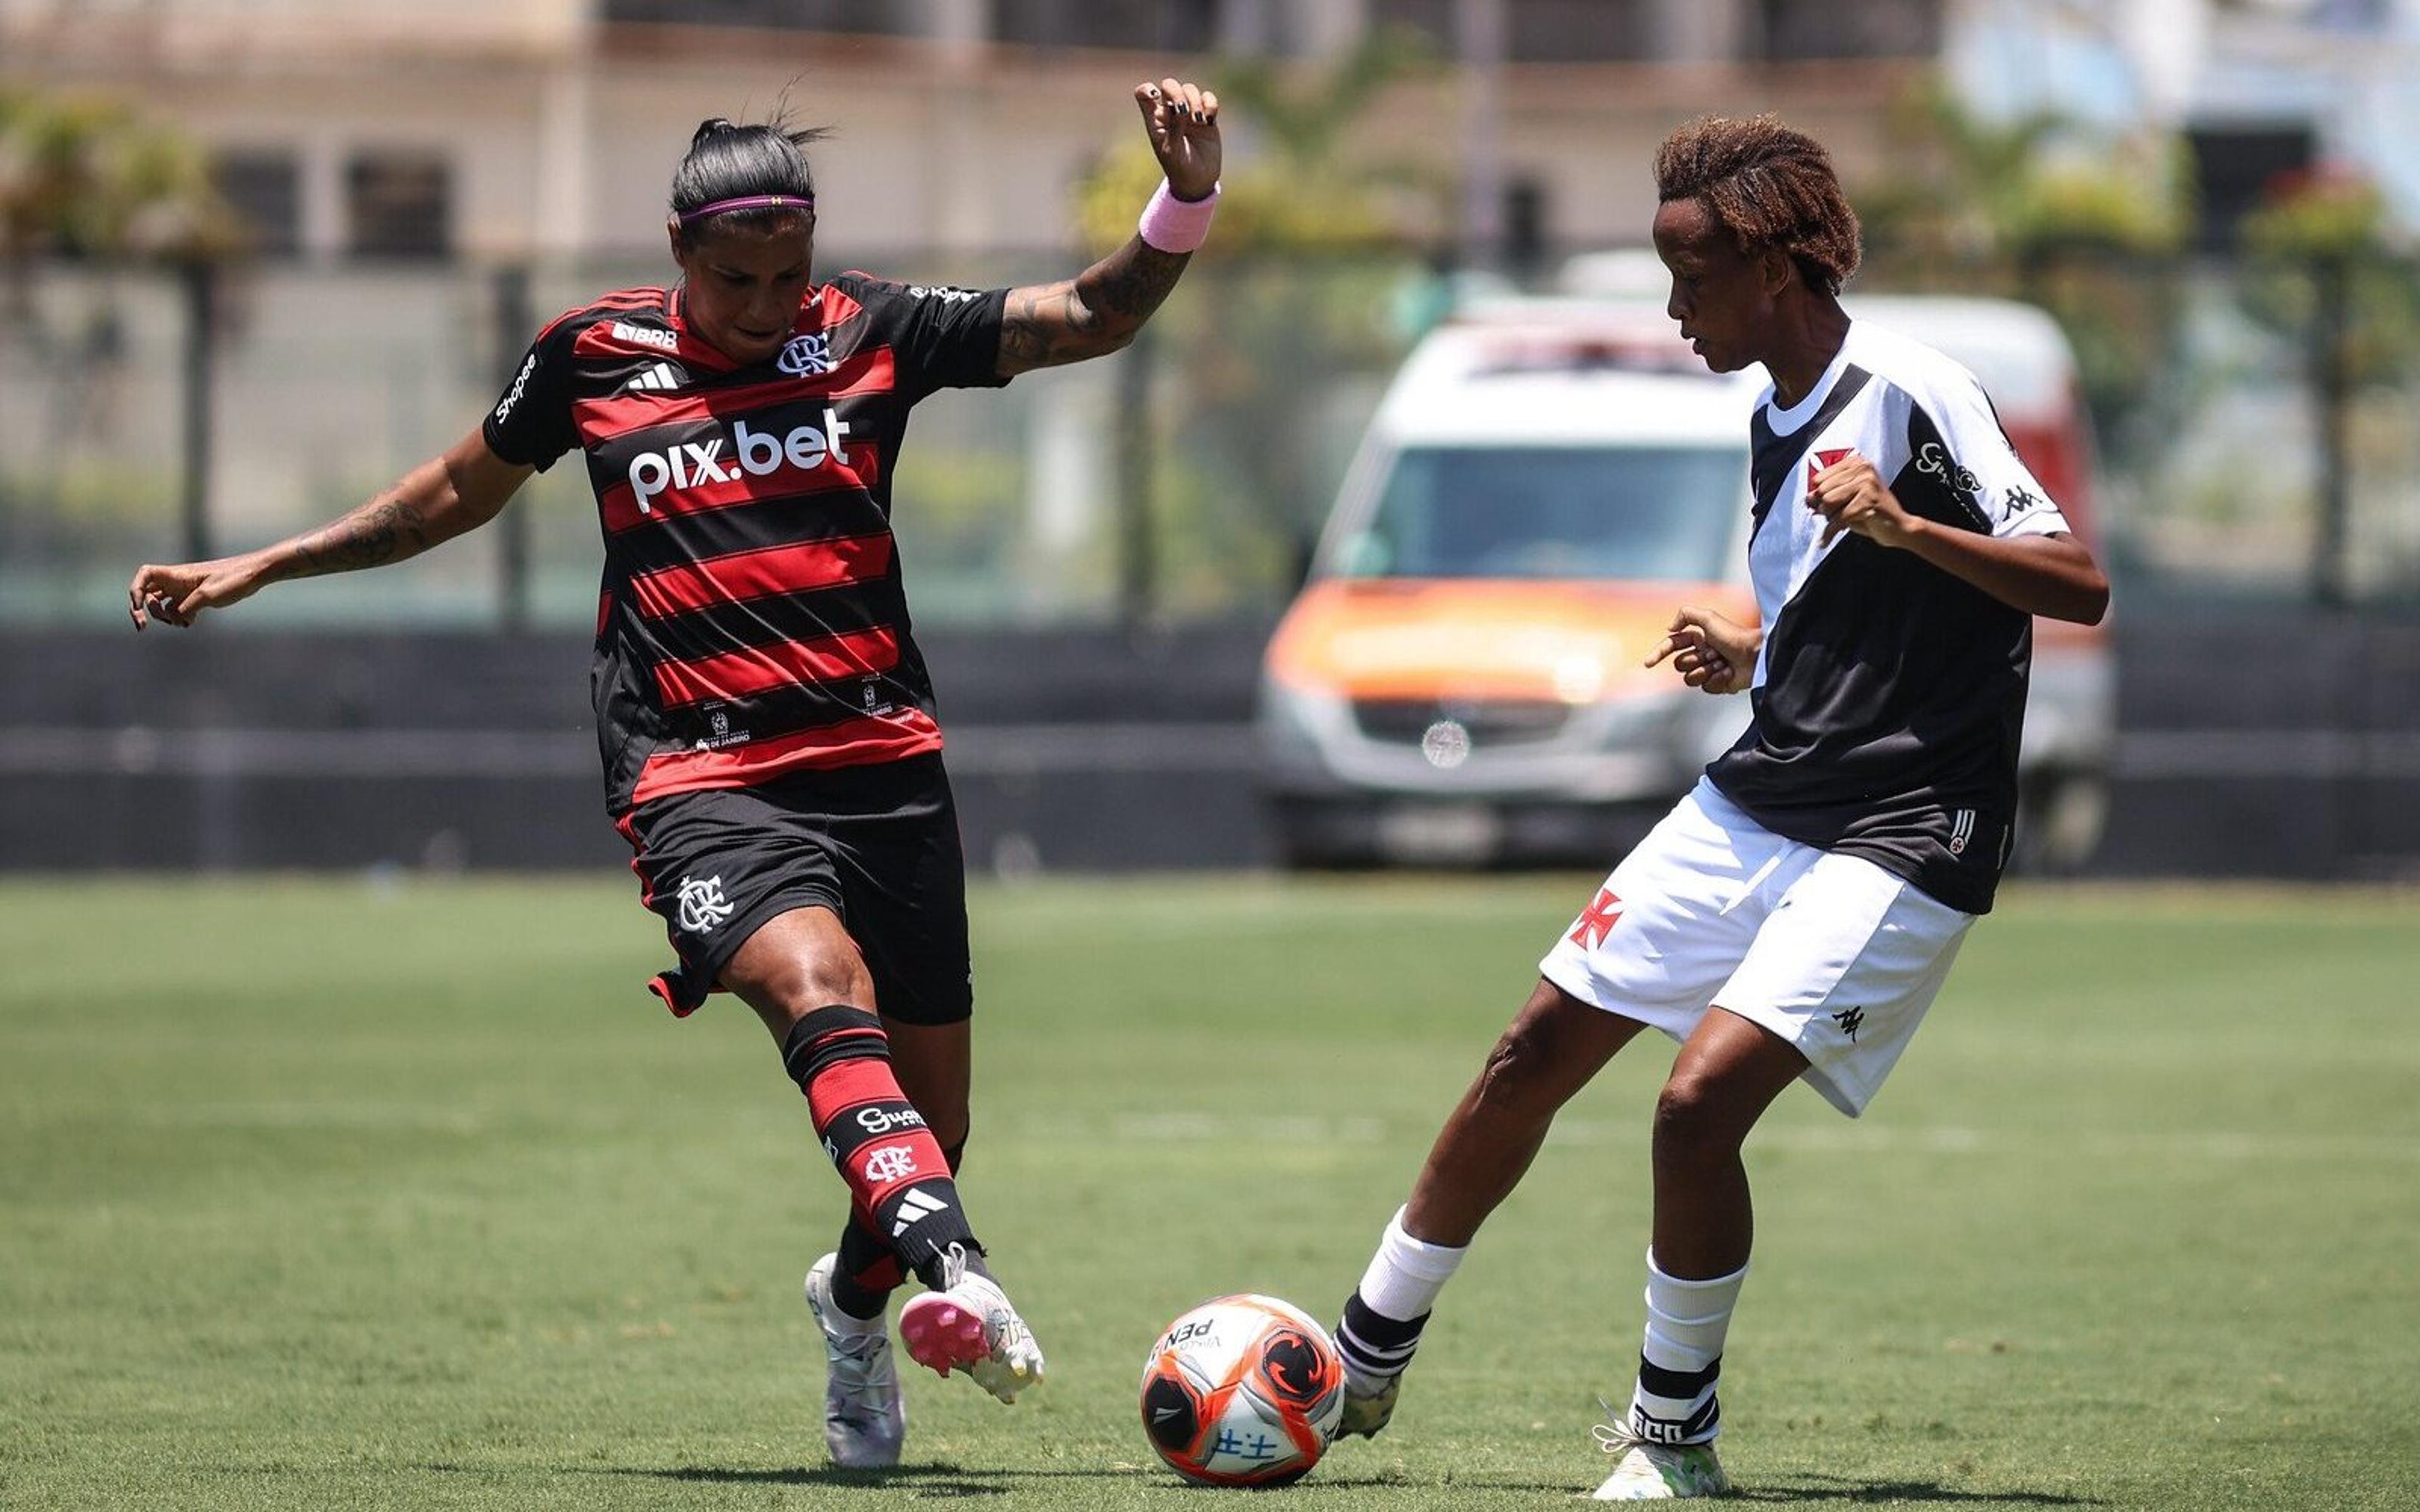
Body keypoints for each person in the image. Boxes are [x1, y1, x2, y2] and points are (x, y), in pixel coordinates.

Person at [128, 78, 1226, 1471]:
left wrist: (1183, 197)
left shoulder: (872, 333)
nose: (766, 304)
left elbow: (1092, 314)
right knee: (823, 992)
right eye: (734, 279)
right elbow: (449, 495)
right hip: (696, 773)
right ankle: (958, 1269)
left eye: (787, 274)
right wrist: (267, 562)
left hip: (882, 763)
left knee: (934, 1120)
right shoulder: (587, 358)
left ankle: (857, 1302)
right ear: (675, 250)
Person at [1327, 115, 2111, 1501]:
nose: (1675, 309)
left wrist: (1909, 526)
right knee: (1532, 1051)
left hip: (1908, 823)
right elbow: (1842, 610)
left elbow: (2077, 582)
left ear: (1773, 266)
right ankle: (1362, 1354)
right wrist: (1756, 655)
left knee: (1695, 1109)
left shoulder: (1915, 389)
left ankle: (1673, 1438)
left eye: (1691, 279)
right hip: (1766, 791)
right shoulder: (1770, 415)